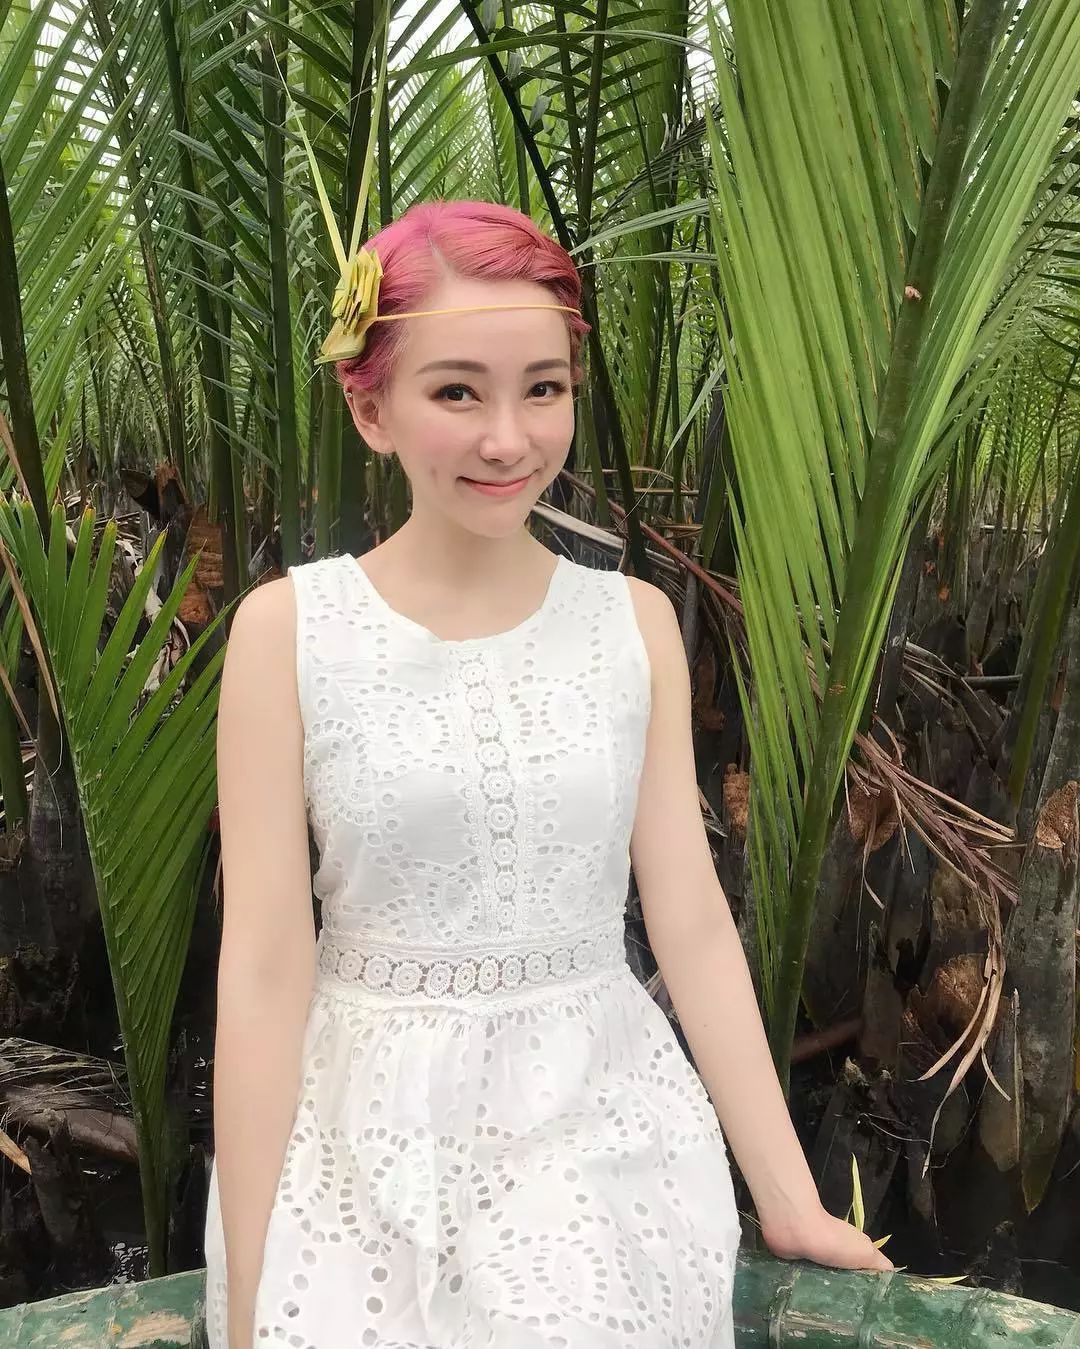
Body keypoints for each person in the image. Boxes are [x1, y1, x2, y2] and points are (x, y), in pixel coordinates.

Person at [202, 198, 891, 1349]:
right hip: (354, 1131)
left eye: (543, 388)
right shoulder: (289, 631)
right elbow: (267, 964)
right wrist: (248, 1287)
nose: (508, 438)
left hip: (591, 1121)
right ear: (371, 409)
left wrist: (788, 1196)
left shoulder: (634, 624)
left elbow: (691, 921)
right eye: (456, 392)